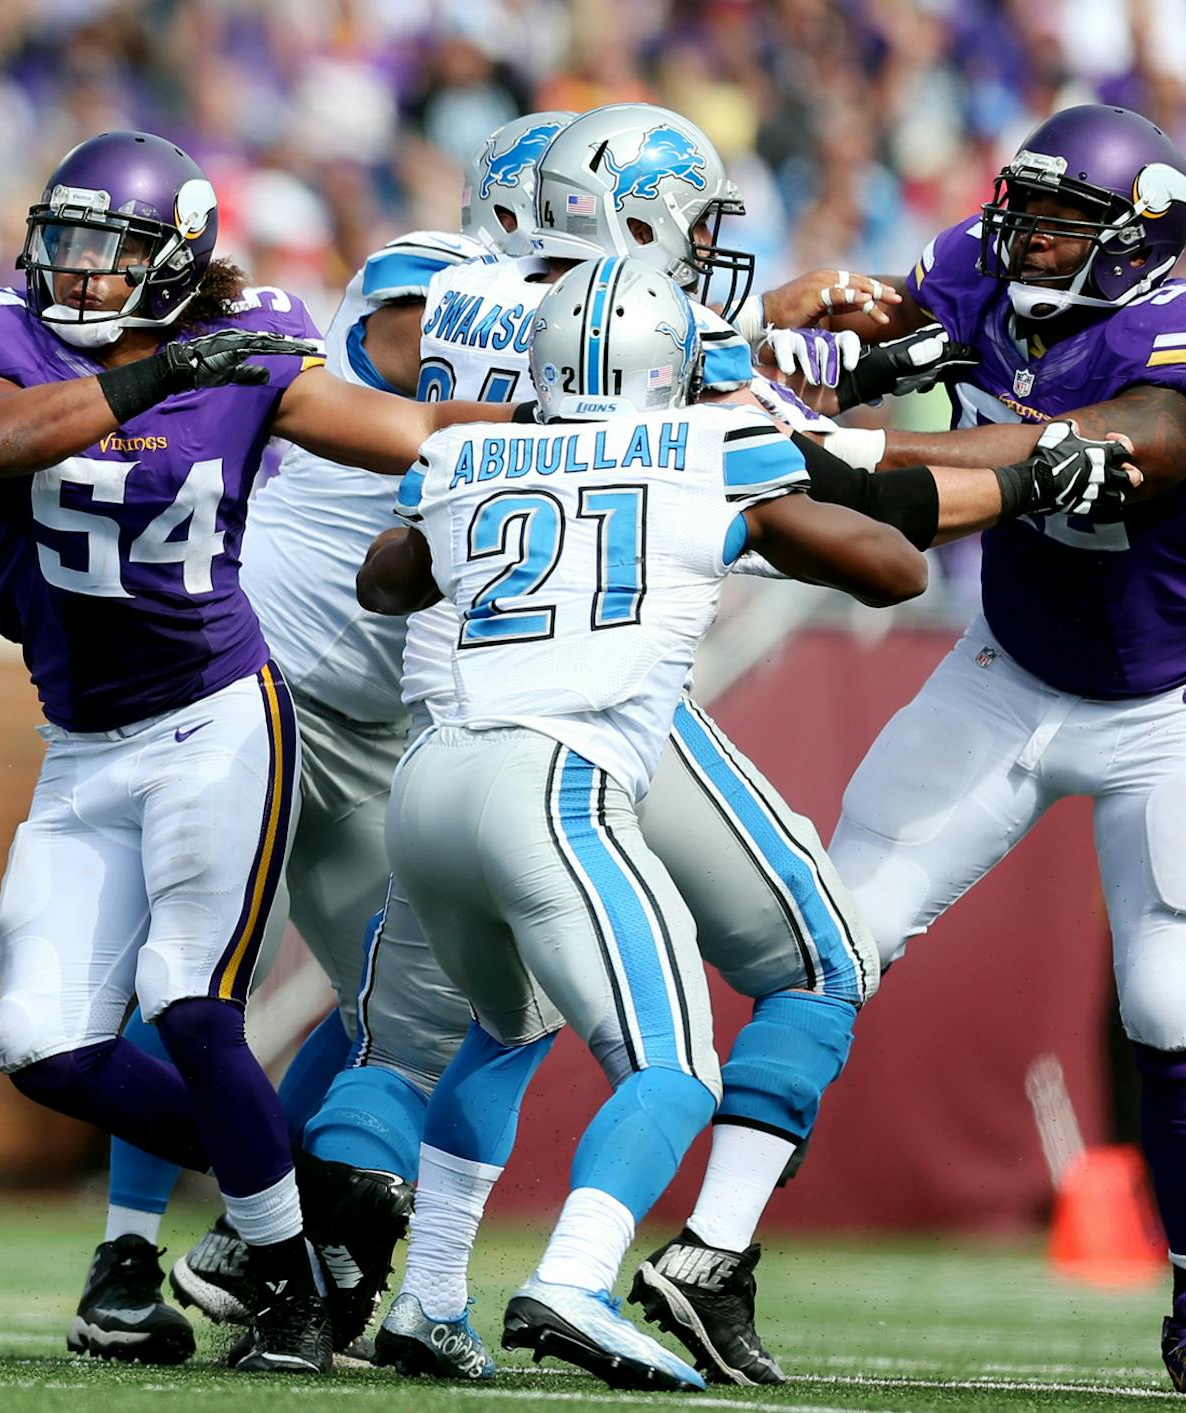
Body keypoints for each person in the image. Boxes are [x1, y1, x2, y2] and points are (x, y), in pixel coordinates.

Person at [0, 129, 508, 1374]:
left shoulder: (250, 349)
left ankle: (288, 1284)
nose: (76, 271)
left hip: (215, 715)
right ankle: (300, 1190)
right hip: (80, 742)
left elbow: (411, 429)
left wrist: (571, 429)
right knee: (44, 1047)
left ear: (177, 260)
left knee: (192, 1000)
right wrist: (163, 373)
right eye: (64, 240)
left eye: (109, 249)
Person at [667, 102, 1186, 1391]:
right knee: (837, 937)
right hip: (1007, 669)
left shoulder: (1169, 335)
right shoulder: (981, 265)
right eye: (1026, 213)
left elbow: (1086, 447)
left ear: (1142, 242)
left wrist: (847, 447)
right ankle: (711, 1252)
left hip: (1167, 705)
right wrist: (807, 354)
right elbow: (890, 331)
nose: (1030, 240)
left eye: (1065, 224)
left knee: (1167, 1002)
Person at [371, 258, 928, 1391]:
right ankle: (574, 1277)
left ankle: (427, 1297)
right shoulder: (709, 444)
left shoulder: (461, 451)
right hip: (556, 779)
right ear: (676, 363)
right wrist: (776, 492)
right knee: (674, 1066)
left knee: (504, 1030)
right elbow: (895, 573)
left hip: (430, 784)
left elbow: (388, 582)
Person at [73, 112, 567, 1368]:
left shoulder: (584, 326)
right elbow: (441, 357)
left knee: (389, 1005)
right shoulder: (430, 279)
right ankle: (125, 1256)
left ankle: (260, 1240)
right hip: (272, 677)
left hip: (395, 719)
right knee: (195, 973)